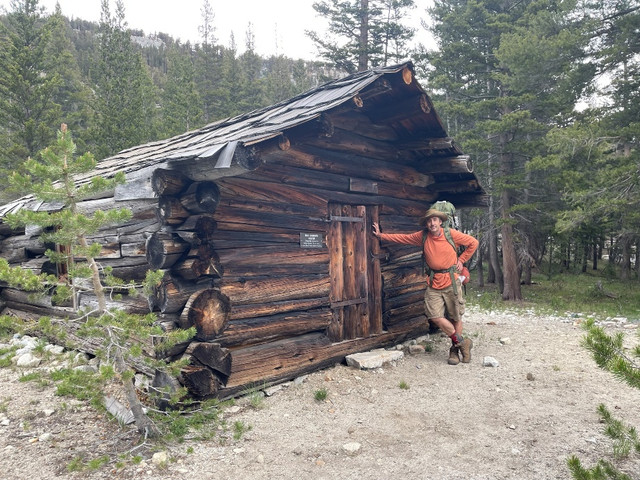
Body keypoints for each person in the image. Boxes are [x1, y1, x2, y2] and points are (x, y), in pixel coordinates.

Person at [372, 208, 479, 365]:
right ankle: (463, 342)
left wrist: (462, 260)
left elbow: (473, 242)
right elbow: (403, 238)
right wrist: (381, 236)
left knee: (456, 316)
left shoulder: (451, 234)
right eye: (429, 221)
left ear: (440, 221)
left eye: (434, 220)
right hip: (434, 282)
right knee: (434, 315)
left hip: (452, 281)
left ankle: (455, 351)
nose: (432, 223)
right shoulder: (422, 237)